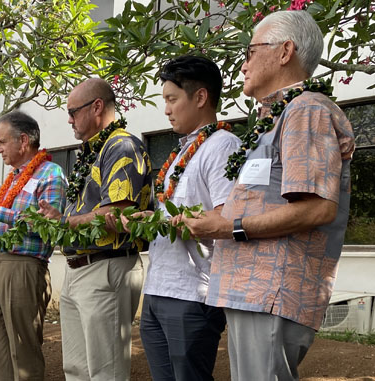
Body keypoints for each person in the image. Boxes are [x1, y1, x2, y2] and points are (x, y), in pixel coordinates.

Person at [181, 11, 355, 381]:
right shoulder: (277, 116)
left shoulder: (306, 109)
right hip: (250, 290)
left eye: (249, 51)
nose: (242, 65)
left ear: (284, 51)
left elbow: (318, 208)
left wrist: (231, 227)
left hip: (273, 292)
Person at [110, 56, 240, 381]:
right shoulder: (183, 150)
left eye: (172, 99)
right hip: (159, 287)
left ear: (200, 97)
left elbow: (228, 217)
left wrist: (165, 222)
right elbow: (172, 212)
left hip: (193, 293)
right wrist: (148, 219)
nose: (166, 109)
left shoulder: (223, 146)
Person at [37, 78, 153, 380]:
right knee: (76, 369)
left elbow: (117, 209)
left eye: (73, 111)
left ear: (97, 107)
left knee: (105, 371)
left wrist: (63, 222)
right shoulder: (91, 151)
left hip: (106, 267)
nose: (69, 119)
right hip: (79, 268)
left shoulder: (122, 145)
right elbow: (86, 210)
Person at [0, 111, 67, 380]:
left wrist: (0, 213)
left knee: (23, 352)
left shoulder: (50, 173)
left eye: (2, 142)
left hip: (24, 268)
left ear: (24, 140)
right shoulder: (13, 178)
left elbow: (47, 225)